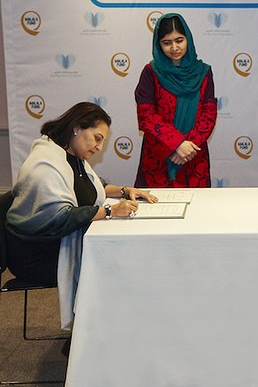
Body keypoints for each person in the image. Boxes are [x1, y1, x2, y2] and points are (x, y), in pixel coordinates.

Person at [6, 102, 156, 329]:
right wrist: (108, 211)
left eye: (103, 141)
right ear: (77, 128)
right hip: (36, 255)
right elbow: (59, 218)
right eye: (97, 138)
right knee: (113, 263)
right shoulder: (45, 165)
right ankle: (87, 338)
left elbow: (91, 188)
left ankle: (105, 331)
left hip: (57, 243)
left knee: (119, 255)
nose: (99, 146)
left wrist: (125, 190)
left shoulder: (70, 157)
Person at [134, 12, 217, 188]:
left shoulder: (203, 72)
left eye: (179, 40)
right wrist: (177, 144)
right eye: (166, 43)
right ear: (159, 45)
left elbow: (208, 113)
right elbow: (147, 116)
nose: (174, 47)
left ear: (188, 39)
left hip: (194, 155)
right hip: (159, 155)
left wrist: (188, 147)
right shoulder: (151, 72)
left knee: (198, 210)